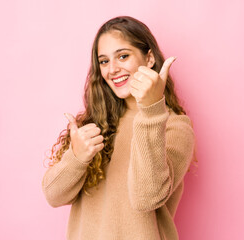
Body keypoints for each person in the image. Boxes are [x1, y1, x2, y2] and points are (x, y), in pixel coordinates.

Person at [42, 16, 196, 240]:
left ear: (149, 58)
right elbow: (53, 196)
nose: (112, 69)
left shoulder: (175, 127)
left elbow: (146, 198)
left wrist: (151, 111)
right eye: (104, 61)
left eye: (123, 56)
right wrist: (76, 157)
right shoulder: (95, 123)